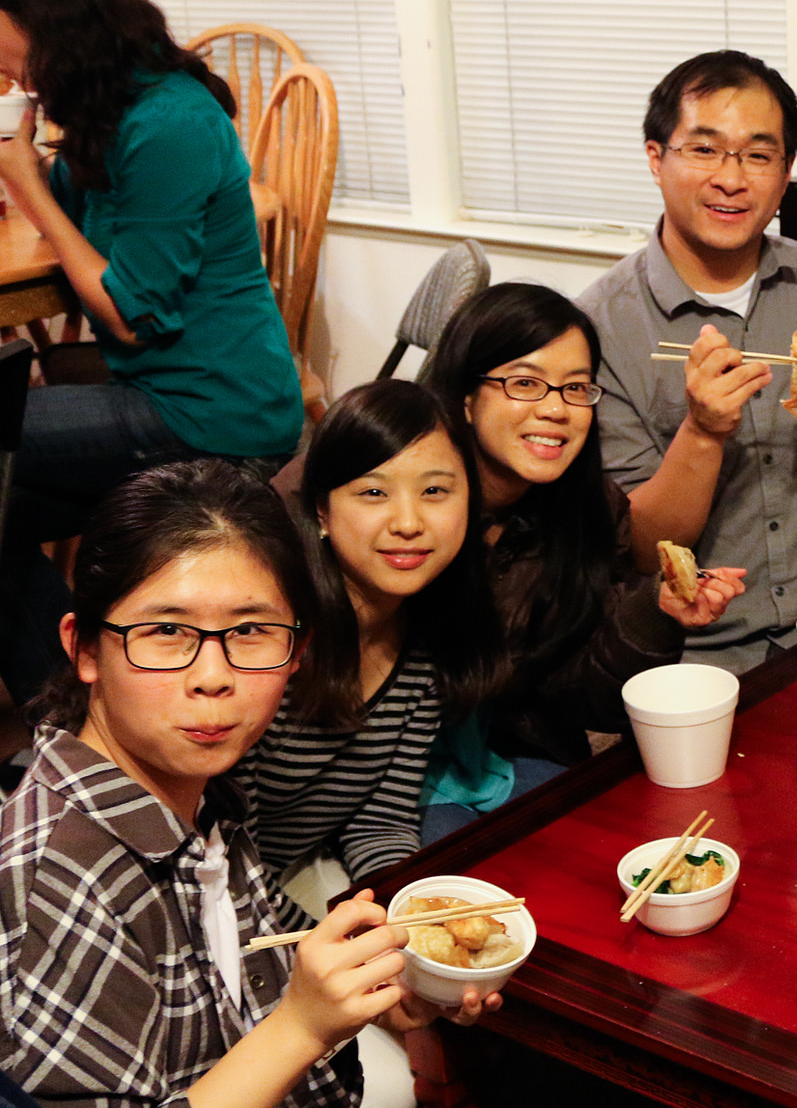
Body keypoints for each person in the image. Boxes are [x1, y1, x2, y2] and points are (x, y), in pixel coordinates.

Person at [0, 459, 493, 1108]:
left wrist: (366, 1002)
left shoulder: (201, 797)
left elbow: (239, 999)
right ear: (85, 647)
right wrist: (301, 1027)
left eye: (252, 631)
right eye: (167, 630)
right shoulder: (57, 877)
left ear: (298, 650)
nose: (213, 676)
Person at [0, 0, 302, 706]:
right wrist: (34, 161)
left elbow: (132, 313)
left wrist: (29, 183)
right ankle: (71, 721)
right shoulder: (107, 103)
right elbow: (85, 224)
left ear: (34, 10)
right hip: (162, 392)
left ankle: (75, 720)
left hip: (216, 410)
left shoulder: (167, 119)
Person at [576, 52, 797, 675]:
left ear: (786, 172)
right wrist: (702, 432)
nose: (731, 179)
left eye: (757, 155)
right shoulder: (600, 329)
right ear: (656, 159)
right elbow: (642, 546)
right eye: (705, 150)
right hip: (698, 653)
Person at [419, 283, 740, 838]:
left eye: (575, 388)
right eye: (524, 383)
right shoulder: (397, 501)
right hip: (395, 772)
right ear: (466, 396)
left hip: (515, 754)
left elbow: (584, 702)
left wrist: (655, 612)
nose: (555, 409)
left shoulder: (589, 510)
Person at [237, 381, 501, 918]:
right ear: (322, 512)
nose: (408, 523)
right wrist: (338, 945)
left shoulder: (425, 630)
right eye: (374, 493)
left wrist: (407, 915)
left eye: (435, 491)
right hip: (209, 890)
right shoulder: (266, 643)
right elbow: (222, 861)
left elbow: (380, 820)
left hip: (285, 873)